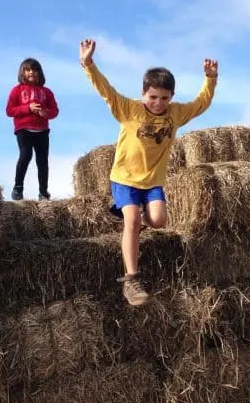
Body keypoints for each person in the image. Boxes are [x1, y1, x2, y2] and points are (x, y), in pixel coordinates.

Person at [79, 38, 218, 306]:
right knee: (132, 220)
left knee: (158, 221)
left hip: (153, 181)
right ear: (144, 93)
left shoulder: (175, 114)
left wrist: (211, 79)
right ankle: (132, 280)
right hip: (125, 179)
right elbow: (105, 90)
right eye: (153, 97)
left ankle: (132, 218)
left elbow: (201, 104)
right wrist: (88, 64)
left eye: (164, 98)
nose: (158, 103)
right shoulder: (128, 109)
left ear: (172, 97)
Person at [5, 57, 59, 201]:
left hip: (42, 131)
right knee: (25, 155)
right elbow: (9, 110)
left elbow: (55, 111)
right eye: (28, 70)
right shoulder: (16, 90)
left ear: (40, 73)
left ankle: (43, 192)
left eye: (35, 70)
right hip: (23, 129)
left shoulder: (46, 92)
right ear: (22, 73)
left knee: (42, 162)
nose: (31, 73)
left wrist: (45, 113)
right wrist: (28, 108)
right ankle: (18, 187)